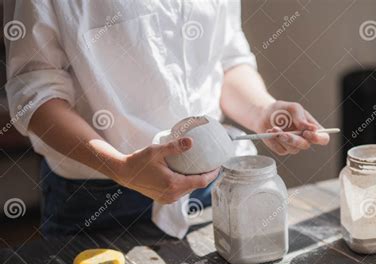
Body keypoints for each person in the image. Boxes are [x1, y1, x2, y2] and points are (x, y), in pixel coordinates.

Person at [4, 0, 329, 238]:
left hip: (210, 187)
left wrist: (265, 112)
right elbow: (35, 93)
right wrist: (121, 168)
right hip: (99, 200)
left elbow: (228, 61)